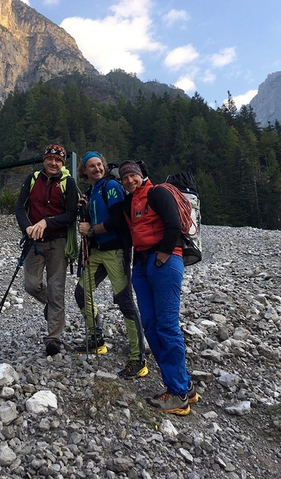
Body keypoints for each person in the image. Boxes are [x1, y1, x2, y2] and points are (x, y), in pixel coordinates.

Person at [118, 160, 199, 415]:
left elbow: (173, 224)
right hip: (143, 265)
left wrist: (163, 255)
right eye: (125, 178)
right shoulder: (130, 202)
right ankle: (183, 385)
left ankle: (177, 394)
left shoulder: (158, 192)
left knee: (166, 325)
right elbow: (119, 228)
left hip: (164, 260)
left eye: (133, 175)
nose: (129, 180)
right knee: (151, 325)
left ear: (142, 175)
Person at [74, 151, 148, 379]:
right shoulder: (90, 192)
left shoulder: (111, 187)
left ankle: (138, 358)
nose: (97, 168)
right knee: (81, 293)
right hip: (97, 251)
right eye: (91, 166)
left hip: (116, 250)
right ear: (84, 171)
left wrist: (92, 230)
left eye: (99, 164)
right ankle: (97, 340)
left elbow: (119, 219)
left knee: (124, 300)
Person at [15, 144, 78, 357]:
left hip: (57, 241)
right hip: (33, 241)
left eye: (58, 160)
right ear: (44, 160)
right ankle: (53, 308)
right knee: (31, 285)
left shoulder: (68, 183)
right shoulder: (32, 179)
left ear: (63, 164)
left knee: (56, 288)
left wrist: (46, 222)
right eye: (50, 159)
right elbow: (19, 207)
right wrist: (27, 227)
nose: (53, 163)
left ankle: (54, 338)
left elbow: (71, 214)